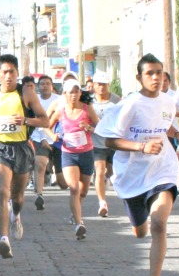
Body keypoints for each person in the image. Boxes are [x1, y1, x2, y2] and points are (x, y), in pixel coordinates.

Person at [95, 53, 179, 276]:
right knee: (140, 231)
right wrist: (141, 147)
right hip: (132, 175)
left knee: (159, 222)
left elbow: (164, 124)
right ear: (139, 77)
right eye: (150, 73)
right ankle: (140, 223)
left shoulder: (168, 101)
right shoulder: (130, 104)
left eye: (159, 72)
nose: (156, 77)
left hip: (163, 169)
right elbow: (108, 140)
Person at [0, 54, 48, 259]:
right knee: (3, 191)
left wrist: (26, 120)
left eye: (12, 72)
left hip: (22, 148)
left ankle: (16, 215)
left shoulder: (25, 93)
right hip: (0, 148)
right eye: (4, 72)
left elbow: (45, 121)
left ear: (17, 73)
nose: (8, 76)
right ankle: (4, 239)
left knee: (17, 196)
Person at [48, 80, 99, 239]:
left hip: (86, 153)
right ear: (65, 94)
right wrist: (52, 136)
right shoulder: (61, 111)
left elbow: (100, 127)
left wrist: (89, 128)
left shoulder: (87, 109)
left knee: (83, 191)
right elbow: (47, 126)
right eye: (70, 92)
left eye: (76, 91)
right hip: (68, 153)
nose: (73, 95)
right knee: (74, 189)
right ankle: (79, 223)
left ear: (80, 93)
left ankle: (75, 213)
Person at [91, 72, 121, 217]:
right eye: (98, 84)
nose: (101, 87)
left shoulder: (116, 100)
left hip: (113, 142)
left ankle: (106, 180)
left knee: (109, 172)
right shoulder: (88, 101)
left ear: (108, 85)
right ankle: (102, 202)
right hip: (96, 142)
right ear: (94, 85)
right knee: (100, 171)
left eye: (104, 84)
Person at [31, 75, 62, 210]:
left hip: (58, 139)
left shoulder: (59, 101)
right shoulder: (34, 101)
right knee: (40, 164)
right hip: (39, 138)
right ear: (38, 86)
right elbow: (33, 122)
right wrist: (42, 137)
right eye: (42, 84)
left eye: (47, 84)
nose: (45, 86)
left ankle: (53, 173)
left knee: (63, 183)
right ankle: (39, 194)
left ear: (52, 86)